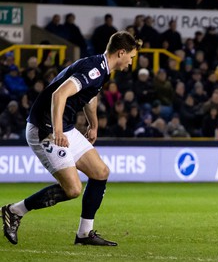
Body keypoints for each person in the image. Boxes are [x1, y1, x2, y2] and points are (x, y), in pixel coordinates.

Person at [1, 31, 143, 246]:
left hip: (64, 126)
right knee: (73, 190)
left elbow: (90, 97)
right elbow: (59, 94)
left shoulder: (101, 69)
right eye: (131, 57)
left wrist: (93, 124)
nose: (131, 62)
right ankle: (14, 211)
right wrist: (57, 131)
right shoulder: (94, 69)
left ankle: (84, 234)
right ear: (121, 52)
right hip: (44, 128)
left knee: (100, 172)